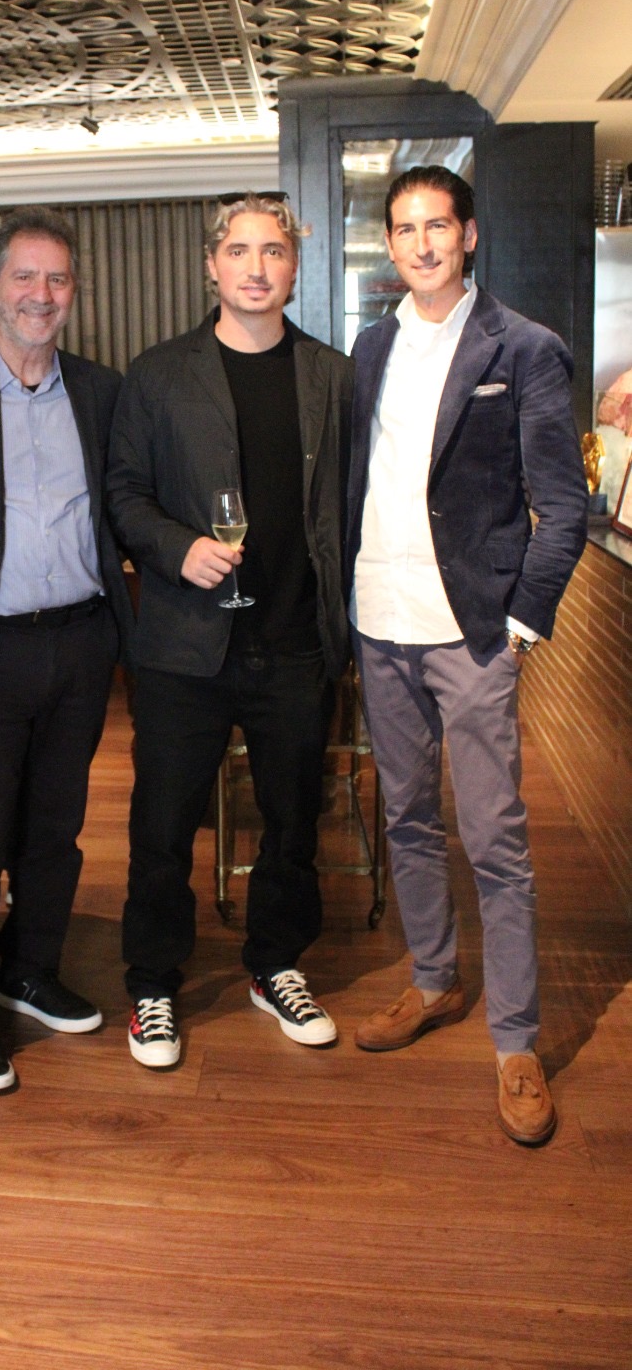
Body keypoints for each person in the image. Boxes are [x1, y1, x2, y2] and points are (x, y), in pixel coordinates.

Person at [347, 165, 588, 1146]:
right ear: (391, 245)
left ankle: (516, 1042)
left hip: (473, 631)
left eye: (437, 226)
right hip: (378, 620)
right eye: (405, 229)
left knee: (494, 838)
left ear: (469, 234)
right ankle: (434, 978)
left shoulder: (522, 346)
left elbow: (562, 507)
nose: (422, 244)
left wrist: (521, 622)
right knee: (406, 818)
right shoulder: (371, 345)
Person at [107, 192, 353, 1068]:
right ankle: (152, 983)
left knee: (292, 824)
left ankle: (275, 964)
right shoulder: (158, 374)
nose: (256, 267)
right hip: (184, 645)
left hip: (294, 641)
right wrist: (179, 550)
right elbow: (124, 494)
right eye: (239, 251)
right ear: (211, 265)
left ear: (295, 266)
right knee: (163, 828)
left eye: (273, 250)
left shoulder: (331, 376)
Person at [0, 206, 133, 1093]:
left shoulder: (102, 391)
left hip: (79, 643)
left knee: (55, 833)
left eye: (58, 278)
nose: (41, 294)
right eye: (25, 277)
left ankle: (30, 968)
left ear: (74, 292)